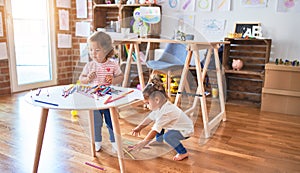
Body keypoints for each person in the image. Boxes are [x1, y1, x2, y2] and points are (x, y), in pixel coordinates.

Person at [79, 31, 124, 153]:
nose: (93, 53)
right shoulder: (89, 66)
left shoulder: (113, 64)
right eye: (91, 50)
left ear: (106, 50)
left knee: (111, 123)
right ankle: (97, 142)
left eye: (97, 50)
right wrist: (88, 78)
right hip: (95, 100)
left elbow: (121, 77)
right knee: (96, 123)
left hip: (109, 99)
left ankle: (114, 142)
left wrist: (113, 80)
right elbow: (81, 79)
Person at [130, 76, 194, 161]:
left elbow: (155, 130)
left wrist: (143, 143)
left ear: (157, 99)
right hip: (177, 126)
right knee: (159, 122)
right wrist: (139, 127)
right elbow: (149, 118)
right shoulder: (160, 106)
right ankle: (159, 140)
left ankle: (183, 152)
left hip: (185, 130)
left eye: (148, 103)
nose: (146, 106)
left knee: (168, 137)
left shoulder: (165, 113)